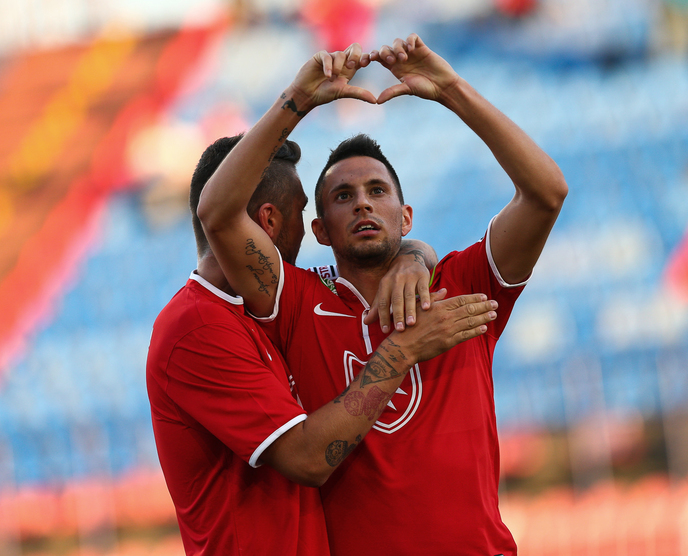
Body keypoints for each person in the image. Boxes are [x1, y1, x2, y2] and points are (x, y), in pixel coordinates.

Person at [198, 35, 567, 555]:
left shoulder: (460, 286)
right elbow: (216, 213)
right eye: (342, 196)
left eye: (377, 191)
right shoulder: (296, 302)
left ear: (406, 216)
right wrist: (297, 100)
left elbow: (547, 193)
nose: (362, 204)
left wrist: (452, 90)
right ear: (321, 230)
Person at [146, 133, 499, 556]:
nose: (307, 229)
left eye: (376, 193)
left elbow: (381, 254)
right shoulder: (198, 326)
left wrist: (412, 253)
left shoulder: (262, 313)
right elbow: (307, 459)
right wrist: (403, 350)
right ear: (269, 221)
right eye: (301, 212)